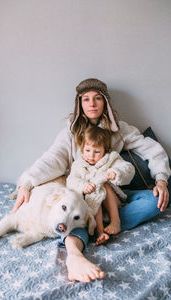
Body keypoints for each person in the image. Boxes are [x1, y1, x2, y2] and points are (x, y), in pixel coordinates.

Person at [12, 78, 171, 283]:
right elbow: (52, 159)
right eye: (86, 99)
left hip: (113, 192)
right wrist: (27, 183)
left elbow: (150, 149)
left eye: (97, 98)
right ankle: (75, 256)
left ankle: (105, 224)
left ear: (105, 102)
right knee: (72, 215)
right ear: (80, 104)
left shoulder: (119, 129)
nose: (92, 103)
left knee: (155, 202)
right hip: (85, 196)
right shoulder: (70, 132)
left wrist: (161, 180)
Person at [66, 126, 135, 245]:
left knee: (103, 185)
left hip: (112, 202)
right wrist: (83, 186)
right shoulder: (78, 164)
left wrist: (116, 172)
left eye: (97, 151)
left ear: (105, 150)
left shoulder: (111, 158)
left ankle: (115, 221)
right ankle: (100, 232)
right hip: (92, 207)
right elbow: (71, 180)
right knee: (94, 190)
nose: (91, 155)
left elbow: (128, 168)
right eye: (87, 150)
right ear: (82, 149)